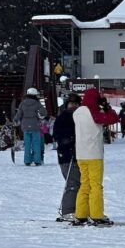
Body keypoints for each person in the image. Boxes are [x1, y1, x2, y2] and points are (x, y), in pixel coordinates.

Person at [71, 88, 121, 226]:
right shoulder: (93, 113)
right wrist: (106, 107)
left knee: (84, 185)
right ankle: (96, 215)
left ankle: (80, 215)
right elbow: (114, 118)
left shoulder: (77, 113)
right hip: (93, 154)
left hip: (81, 154)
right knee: (96, 186)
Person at [52, 91, 82, 222]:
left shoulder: (80, 117)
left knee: (79, 183)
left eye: (76, 104)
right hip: (67, 156)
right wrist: (67, 141)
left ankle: (78, 209)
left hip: (79, 155)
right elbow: (56, 135)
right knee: (72, 183)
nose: (73, 106)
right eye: (71, 103)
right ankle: (68, 210)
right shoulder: (63, 117)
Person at [13, 88, 47, 166]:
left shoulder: (22, 103)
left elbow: (19, 114)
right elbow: (44, 112)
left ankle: (27, 160)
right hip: (35, 126)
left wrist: (15, 120)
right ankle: (37, 160)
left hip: (25, 126)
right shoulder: (37, 103)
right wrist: (40, 114)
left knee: (27, 144)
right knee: (36, 144)